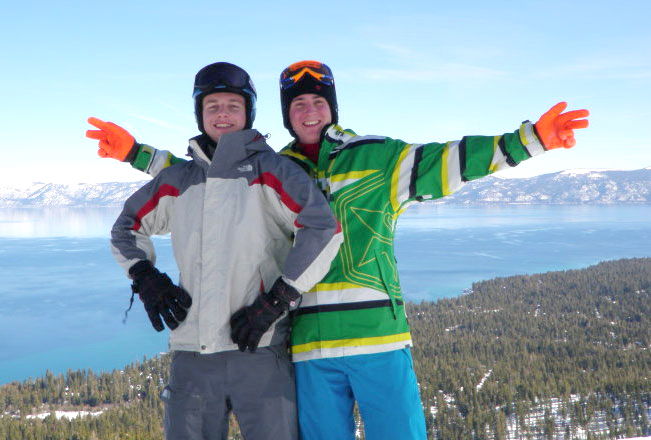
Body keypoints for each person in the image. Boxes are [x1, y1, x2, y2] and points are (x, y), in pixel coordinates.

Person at [90, 60, 589, 440]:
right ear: (285, 116)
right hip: (307, 345)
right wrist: (136, 155)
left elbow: (454, 160)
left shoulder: (378, 158)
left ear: (333, 108)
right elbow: (203, 177)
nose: (309, 110)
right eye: (298, 104)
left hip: (376, 337)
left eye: (318, 102)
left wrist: (531, 139)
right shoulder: (271, 165)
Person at [88, 61, 342, 440]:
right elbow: (127, 228)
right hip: (192, 355)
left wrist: (279, 298)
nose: (222, 114)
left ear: (248, 113)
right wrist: (145, 276)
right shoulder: (180, 180)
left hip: (259, 346)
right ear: (200, 115)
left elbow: (322, 228)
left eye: (232, 106)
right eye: (213, 106)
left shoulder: (273, 171)